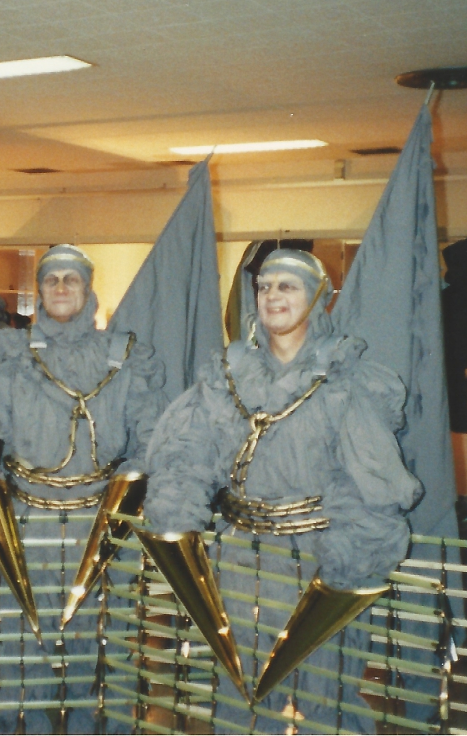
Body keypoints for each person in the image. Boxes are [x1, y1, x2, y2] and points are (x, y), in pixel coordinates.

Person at [140, 249, 423, 733]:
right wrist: (177, 516)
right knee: (239, 697)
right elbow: (186, 456)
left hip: (319, 561)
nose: (272, 295)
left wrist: (344, 569)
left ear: (317, 296)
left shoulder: (345, 380)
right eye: (264, 286)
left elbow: (371, 487)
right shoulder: (225, 376)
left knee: (326, 698)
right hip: (237, 563)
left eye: (287, 286)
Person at [0, 244, 168, 734]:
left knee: (101, 645)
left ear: (88, 290)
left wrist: (124, 494)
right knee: (21, 648)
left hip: (101, 527)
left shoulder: (125, 359)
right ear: (39, 291)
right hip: (27, 527)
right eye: (51, 279)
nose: (61, 287)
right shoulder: (9, 358)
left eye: (72, 279)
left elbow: (152, 443)